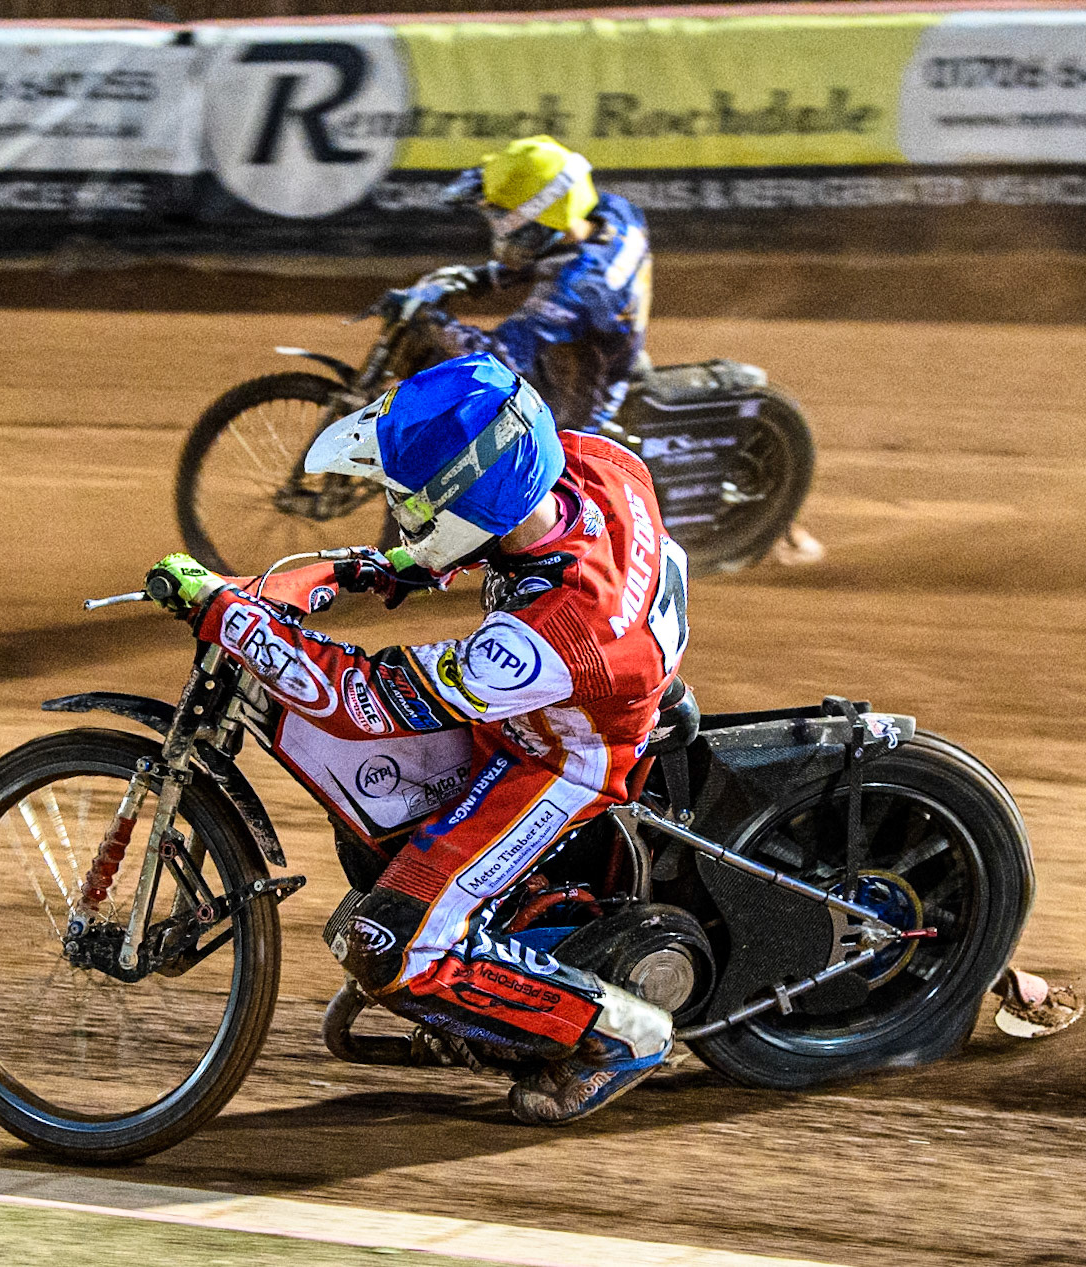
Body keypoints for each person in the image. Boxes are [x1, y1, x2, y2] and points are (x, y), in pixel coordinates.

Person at [145, 351, 690, 1125]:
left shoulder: (538, 643)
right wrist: (390, 567)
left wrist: (232, 618)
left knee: (386, 945)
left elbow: (362, 700)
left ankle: (621, 1033)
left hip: (560, 757)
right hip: (586, 684)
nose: (395, 508)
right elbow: (513, 540)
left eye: (405, 499)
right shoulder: (593, 461)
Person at [381, 133, 825, 565]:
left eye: (505, 217)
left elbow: (498, 354)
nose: (497, 228)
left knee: (488, 430)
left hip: (581, 395)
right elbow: (552, 252)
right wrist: (484, 277)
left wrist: (430, 320)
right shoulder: (613, 214)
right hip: (599, 343)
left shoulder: (581, 288)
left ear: (543, 215)